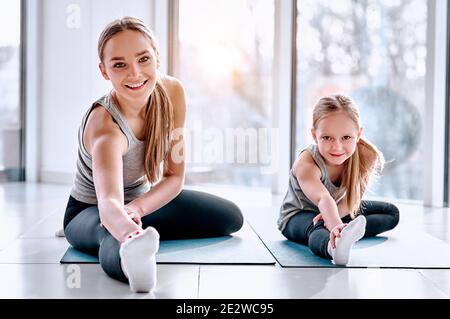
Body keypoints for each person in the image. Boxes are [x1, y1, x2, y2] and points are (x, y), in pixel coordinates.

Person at [63, 17, 243, 293]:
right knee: (110, 232)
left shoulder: (172, 93)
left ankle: (141, 234)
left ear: (157, 58)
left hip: (141, 201)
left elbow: (174, 176)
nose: (134, 73)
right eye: (120, 65)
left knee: (230, 217)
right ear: (104, 71)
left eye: (143, 59)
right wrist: (128, 229)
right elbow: (109, 203)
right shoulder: (106, 127)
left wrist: (137, 209)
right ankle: (136, 259)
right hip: (91, 211)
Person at [278, 94, 399, 265]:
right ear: (314, 135)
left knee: (391, 213)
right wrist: (335, 226)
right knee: (317, 228)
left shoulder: (366, 156)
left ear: (359, 134)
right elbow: (323, 198)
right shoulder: (306, 163)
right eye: (327, 138)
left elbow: (352, 201)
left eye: (346, 137)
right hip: (299, 216)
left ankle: (347, 233)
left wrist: (334, 217)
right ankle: (334, 247)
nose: (337, 147)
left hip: (336, 212)